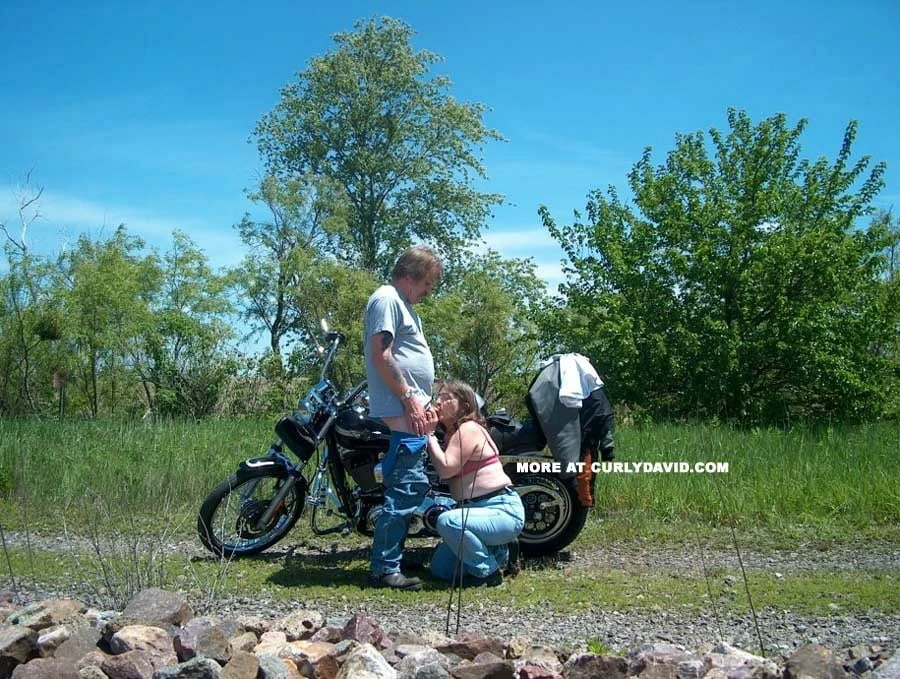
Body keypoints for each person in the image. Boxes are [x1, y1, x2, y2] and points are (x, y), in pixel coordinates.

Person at [365, 245, 443, 591]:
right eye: (427, 282)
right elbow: (382, 354)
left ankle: (392, 556)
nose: (428, 291)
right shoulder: (387, 299)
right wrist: (410, 398)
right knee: (405, 487)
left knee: (411, 486)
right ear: (410, 276)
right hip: (402, 411)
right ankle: (385, 569)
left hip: (410, 409)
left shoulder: (403, 305)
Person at [423, 380, 525, 587]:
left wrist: (429, 434)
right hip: (473, 510)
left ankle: (489, 573)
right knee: (441, 570)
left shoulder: (468, 429)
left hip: (500, 508)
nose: (438, 402)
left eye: (446, 398)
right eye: (438, 398)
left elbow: (446, 468)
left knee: (447, 522)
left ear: (465, 405)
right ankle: (499, 552)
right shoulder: (452, 435)